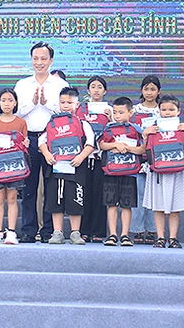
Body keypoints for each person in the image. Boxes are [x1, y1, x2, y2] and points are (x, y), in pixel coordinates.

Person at [14, 42, 68, 243]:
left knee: (51, 187)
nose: (39, 62)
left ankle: (48, 231)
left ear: (51, 61)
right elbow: (15, 112)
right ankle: (28, 230)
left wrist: (47, 104)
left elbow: (65, 113)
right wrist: (32, 104)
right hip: (28, 140)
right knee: (28, 187)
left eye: (43, 59)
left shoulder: (60, 86)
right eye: (36, 58)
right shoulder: (22, 85)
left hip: (53, 141)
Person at [40, 87, 95, 245]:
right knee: (55, 200)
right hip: (56, 168)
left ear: (77, 104)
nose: (66, 105)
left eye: (69, 102)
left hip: (75, 169)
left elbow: (91, 143)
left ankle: (75, 233)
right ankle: (57, 233)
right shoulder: (52, 123)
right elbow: (41, 141)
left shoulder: (82, 123)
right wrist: (47, 154)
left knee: (75, 201)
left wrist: (81, 157)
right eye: (63, 102)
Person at [141, 94, 184, 249]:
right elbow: (145, 149)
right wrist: (145, 134)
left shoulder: (183, 127)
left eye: (171, 109)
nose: (167, 112)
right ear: (159, 110)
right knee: (158, 206)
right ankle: (161, 237)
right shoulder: (152, 127)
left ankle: (173, 238)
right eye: (164, 109)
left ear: (178, 111)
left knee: (175, 207)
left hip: (177, 171)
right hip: (157, 172)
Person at [98, 96, 144, 247]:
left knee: (126, 205)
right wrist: (116, 145)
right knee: (111, 204)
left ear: (130, 113)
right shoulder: (108, 128)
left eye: (121, 112)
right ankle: (112, 234)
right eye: (115, 112)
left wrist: (127, 148)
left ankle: (125, 235)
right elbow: (102, 145)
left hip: (129, 172)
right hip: (111, 171)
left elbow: (142, 149)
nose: (117, 115)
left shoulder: (135, 129)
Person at [0, 88, 28, 245]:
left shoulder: (21, 122)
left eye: (10, 100)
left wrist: (26, 144)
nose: (7, 103)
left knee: (12, 199)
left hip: (15, 166)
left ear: (15, 103)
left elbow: (24, 145)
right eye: (3, 100)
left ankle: (11, 232)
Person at [78, 76, 111, 243]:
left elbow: (114, 132)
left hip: (101, 158)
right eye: (93, 87)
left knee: (100, 196)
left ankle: (98, 231)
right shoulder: (80, 109)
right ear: (88, 90)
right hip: (84, 157)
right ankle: (83, 230)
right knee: (83, 194)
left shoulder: (110, 110)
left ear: (105, 91)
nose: (96, 90)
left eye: (99, 87)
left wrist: (111, 119)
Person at [130, 75, 160, 244]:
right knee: (139, 194)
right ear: (141, 90)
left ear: (158, 91)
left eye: (153, 89)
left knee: (155, 196)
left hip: (157, 159)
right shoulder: (133, 110)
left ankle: (153, 230)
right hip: (137, 158)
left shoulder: (163, 110)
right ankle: (138, 230)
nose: (149, 92)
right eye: (146, 89)